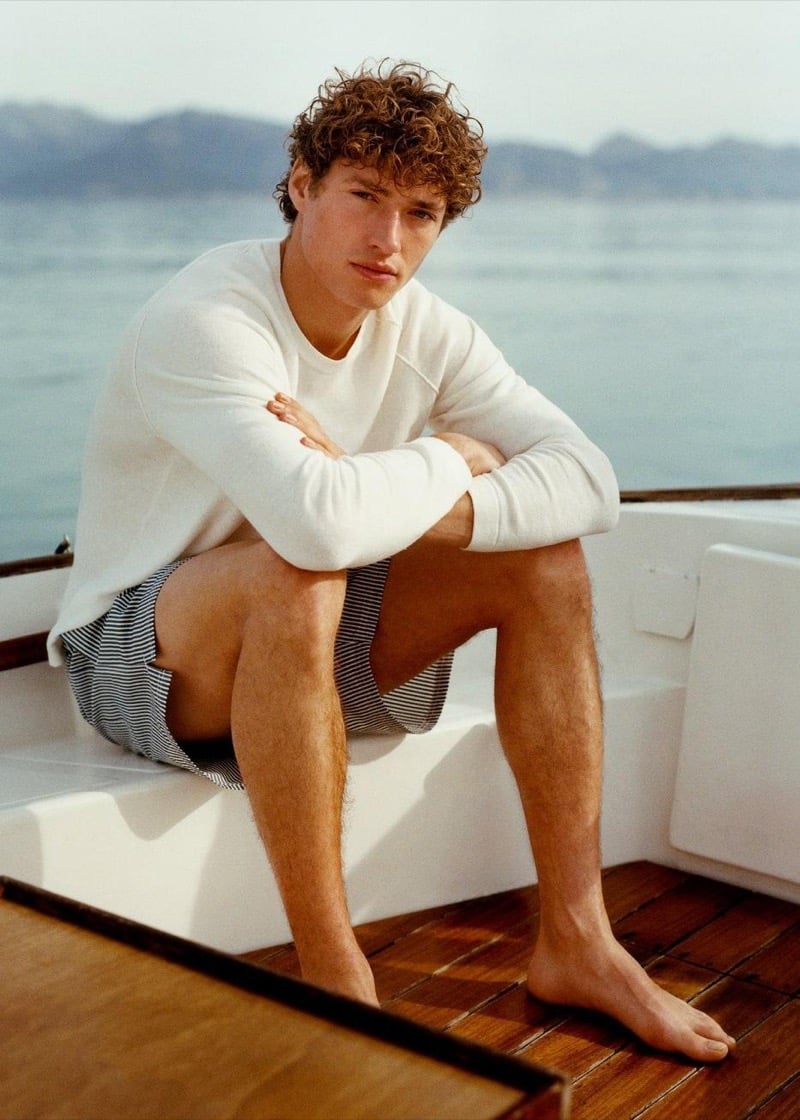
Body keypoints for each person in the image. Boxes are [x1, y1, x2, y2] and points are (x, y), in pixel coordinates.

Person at [48, 60, 735, 1062]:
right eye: (364, 196)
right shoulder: (207, 321)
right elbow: (316, 530)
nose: (389, 239)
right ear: (301, 185)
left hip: (308, 637)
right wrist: (447, 453)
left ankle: (579, 941)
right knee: (299, 568)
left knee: (542, 562)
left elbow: (589, 483)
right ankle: (337, 977)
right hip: (137, 660)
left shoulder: (427, 332)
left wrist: (380, 491)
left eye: (421, 213)